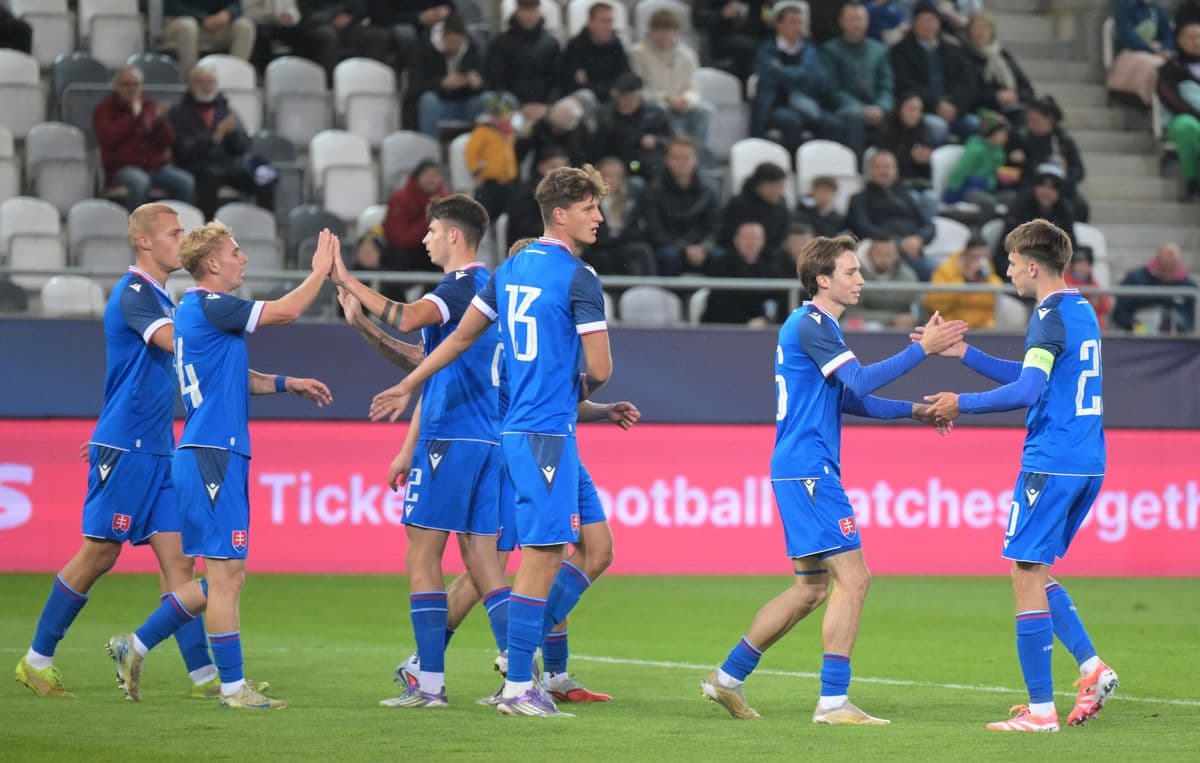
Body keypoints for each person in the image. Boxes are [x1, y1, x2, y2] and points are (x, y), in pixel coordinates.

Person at [368, 165, 616, 718]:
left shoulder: (504, 272)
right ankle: (518, 681)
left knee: (562, 551)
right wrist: (567, 384)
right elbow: (599, 367)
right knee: (540, 555)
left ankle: (514, 670)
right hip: (546, 429)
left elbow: (457, 338)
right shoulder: (580, 277)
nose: (599, 217)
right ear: (560, 213)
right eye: (590, 207)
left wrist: (408, 383)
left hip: (518, 430)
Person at [700, 234, 966, 724]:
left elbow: (849, 399)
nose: (860, 279)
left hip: (798, 466)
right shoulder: (813, 324)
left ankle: (727, 678)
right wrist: (923, 349)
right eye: (851, 271)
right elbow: (861, 381)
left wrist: (917, 412)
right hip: (809, 470)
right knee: (855, 579)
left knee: (809, 590)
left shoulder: (814, 327)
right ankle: (833, 702)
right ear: (823, 280)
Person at [105, 225, 336, 709]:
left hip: (207, 451)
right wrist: (320, 272)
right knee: (226, 575)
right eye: (235, 252)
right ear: (212, 264)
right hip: (213, 453)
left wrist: (284, 382)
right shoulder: (212, 305)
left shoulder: (194, 311)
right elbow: (288, 311)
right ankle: (232, 689)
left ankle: (137, 645)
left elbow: (232, 378)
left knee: (224, 576)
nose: (244, 259)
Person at [14, 204, 223, 700]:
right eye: (175, 234)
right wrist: (231, 322)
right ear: (146, 242)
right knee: (100, 553)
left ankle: (204, 680)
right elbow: (178, 345)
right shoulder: (133, 294)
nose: (183, 240)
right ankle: (35, 661)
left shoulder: (162, 298)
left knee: (180, 565)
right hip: (128, 448)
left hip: (156, 450)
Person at [923, 219, 1119, 732]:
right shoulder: (1079, 309)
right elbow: (1035, 375)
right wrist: (965, 355)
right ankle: (1092, 667)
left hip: (1051, 460)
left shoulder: (1048, 316)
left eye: (1010, 263)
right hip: (1087, 461)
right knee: (1036, 569)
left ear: (1033, 266)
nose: (1006, 271)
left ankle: (1040, 711)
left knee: (1023, 573)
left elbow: (1028, 391)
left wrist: (958, 402)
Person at [332, 195, 517, 709]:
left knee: (423, 554)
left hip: (450, 436)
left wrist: (346, 278)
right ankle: (521, 677)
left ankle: (429, 684)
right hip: (487, 439)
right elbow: (425, 357)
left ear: (455, 236)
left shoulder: (460, 288)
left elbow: (409, 319)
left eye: (433, 230)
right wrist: (362, 325)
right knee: (483, 561)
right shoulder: (491, 291)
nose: (425, 238)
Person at [170, 65, 276, 220]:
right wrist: (214, 138)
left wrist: (232, 133)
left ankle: (265, 225)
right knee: (209, 177)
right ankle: (208, 233)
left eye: (211, 83)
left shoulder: (225, 109)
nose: (207, 87)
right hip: (197, 165)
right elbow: (183, 151)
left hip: (227, 163)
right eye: (201, 82)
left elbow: (243, 147)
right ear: (191, 85)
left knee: (264, 178)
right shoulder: (178, 112)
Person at [94, 66, 195, 211]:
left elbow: (168, 141)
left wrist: (161, 123)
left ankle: (173, 226)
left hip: (154, 165)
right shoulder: (104, 109)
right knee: (140, 181)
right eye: (125, 85)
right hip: (122, 167)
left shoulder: (150, 106)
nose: (130, 89)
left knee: (186, 182)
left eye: (135, 84)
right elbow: (107, 138)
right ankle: (138, 229)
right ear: (116, 86)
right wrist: (133, 117)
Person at [889, 1, 980, 145]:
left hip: (953, 108)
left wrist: (955, 104)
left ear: (938, 24)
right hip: (921, 110)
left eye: (932, 21)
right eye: (923, 21)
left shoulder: (953, 50)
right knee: (937, 127)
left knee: (975, 125)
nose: (928, 25)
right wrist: (936, 104)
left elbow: (967, 81)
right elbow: (905, 83)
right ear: (914, 23)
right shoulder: (901, 51)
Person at [751, 2, 837, 154]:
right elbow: (771, 76)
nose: (798, 27)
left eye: (800, 22)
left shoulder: (810, 49)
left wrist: (784, 71)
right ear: (779, 24)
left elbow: (820, 79)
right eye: (792, 22)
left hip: (806, 102)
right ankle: (793, 167)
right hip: (775, 105)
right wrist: (801, 73)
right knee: (791, 121)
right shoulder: (766, 49)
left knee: (832, 123)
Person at [847, 149, 936, 280]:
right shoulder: (860, 198)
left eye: (888, 167)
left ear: (896, 170)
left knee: (940, 272)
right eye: (878, 167)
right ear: (870, 171)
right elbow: (862, 227)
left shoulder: (906, 196)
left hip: (914, 250)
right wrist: (897, 243)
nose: (883, 171)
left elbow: (929, 225)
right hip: (884, 255)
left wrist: (919, 239)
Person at [821, 2, 895, 157]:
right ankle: (857, 165)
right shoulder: (830, 50)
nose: (856, 24)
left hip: (876, 107)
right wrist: (862, 109)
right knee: (854, 115)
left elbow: (886, 86)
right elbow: (832, 89)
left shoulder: (879, 50)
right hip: (845, 108)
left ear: (867, 21)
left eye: (859, 19)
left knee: (902, 114)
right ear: (841, 22)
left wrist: (882, 107)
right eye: (851, 19)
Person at [629, 7, 712, 146]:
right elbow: (637, 90)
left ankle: (698, 156)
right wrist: (666, 98)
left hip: (680, 102)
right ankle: (672, 153)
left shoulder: (688, 56)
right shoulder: (638, 53)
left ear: (676, 31)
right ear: (651, 30)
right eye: (657, 31)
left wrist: (687, 100)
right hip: (653, 102)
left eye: (667, 31)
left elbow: (694, 88)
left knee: (704, 111)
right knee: (663, 109)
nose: (662, 36)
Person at [357, 159, 450, 283]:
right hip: (399, 253)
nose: (431, 180)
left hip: (428, 253)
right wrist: (431, 218)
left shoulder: (446, 200)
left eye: (435, 176)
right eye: (427, 175)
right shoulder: (401, 198)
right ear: (417, 177)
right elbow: (400, 239)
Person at [641, 135, 722, 276]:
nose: (681, 163)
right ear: (667, 160)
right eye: (676, 158)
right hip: (671, 247)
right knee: (668, 256)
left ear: (695, 160)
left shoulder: (709, 190)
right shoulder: (654, 190)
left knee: (721, 257)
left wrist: (704, 247)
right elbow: (656, 231)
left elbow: (716, 227)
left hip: (701, 246)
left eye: (686, 158)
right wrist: (685, 248)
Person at [1006, 96, 1089, 221]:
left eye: (1036, 120)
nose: (1032, 125)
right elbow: (1006, 174)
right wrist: (1014, 161)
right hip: (1029, 187)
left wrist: (1065, 173)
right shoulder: (1021, 138)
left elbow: (1079, 171)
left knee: (1080, 206)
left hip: (1058, 188)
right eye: (1029, 120)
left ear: (1049, 119)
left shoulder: (1063, 140)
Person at [409, 14, 487, 139]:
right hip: (439, 104)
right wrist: (441, 83)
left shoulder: (473, 50)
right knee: (428, 101)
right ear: (442, 38)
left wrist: (478, 84)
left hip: (466, 103)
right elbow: (413, 88)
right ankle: (431, 151)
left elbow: (490, 82)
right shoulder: (424, 49)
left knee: (486, 99)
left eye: (459, 43)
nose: (455, 47)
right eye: (450, 42)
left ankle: (480, 148)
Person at [994, 163, 1078, 278]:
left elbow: (1070, 246)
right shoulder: (1021, 206)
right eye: (1042, 185)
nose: (1046, 191)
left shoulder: (1065, 212)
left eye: (1052, 188)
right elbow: (1009, 245)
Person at [486, 0, 561, 126]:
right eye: (524, 10)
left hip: (546, 107)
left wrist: (547, 105)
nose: (528, 16)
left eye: (532, 10)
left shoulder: (551, 44)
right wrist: (519, 106)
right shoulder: (501, 43)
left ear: (538, 11)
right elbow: (496, 80)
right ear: (517, 11)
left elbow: (559, 80)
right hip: (511, 108)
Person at [591, 72, 673, 182]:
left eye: (628, 98)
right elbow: (599, 147)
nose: (623, 102)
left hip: (647, 164)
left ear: (638, 96)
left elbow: (671, 141)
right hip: (619, 163)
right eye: (619, 98)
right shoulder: (606, 115)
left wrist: (656, 141)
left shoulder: (656, 114)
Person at [701, 221, 782, 326]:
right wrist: (746, 322)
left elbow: (775, 300)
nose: (751, 243)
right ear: (736, 240)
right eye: (746, 238)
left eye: (755, 238)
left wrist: (765, 319)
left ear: (763, 241)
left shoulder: (770, 268)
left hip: (760, 328)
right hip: (723, 328)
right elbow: (719, 303)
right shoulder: (721, 265)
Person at [587, 157, 655, 276]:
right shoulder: (589, 202)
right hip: (599, 248)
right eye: (607, 175)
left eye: (617, 176)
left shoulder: (631, 201)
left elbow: (637, 231)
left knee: (641, 251)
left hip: (623, 247)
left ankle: (647, 289)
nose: (612, 180)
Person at [941, 109, 1013, 221]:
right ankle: (981, 235)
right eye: (1002, 133)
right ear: (993, 133)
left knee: (1013, 197)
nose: (1005, 137)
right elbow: (961, 170)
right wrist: (951, 192)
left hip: (989, 189)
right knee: (988, 202)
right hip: (969, 189)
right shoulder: (976, 149)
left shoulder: (1000, 153)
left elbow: (996, 174)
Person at [1156, 21, 1200, 202]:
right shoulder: (1171, 68)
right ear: (1179, 40)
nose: (1196, 42)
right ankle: (1192, 181)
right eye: (1191, 37)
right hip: (1181, 119)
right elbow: (1170, 98)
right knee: (1187, 127)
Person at [1111, 242, 1198, 334]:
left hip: (1176, 339)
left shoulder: (1189, 286)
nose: (1168, 273)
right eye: (1164, 267)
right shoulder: (1134, 280)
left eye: (1172, 268)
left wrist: (1177, 324)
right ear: (1157, 261)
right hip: (1139, 337)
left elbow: (1191, 320)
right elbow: (1120, 314)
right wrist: (1142, 328)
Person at [963, 11, 1034, 123]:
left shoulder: (1002, 55)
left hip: (1013, 106)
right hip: (983, 109)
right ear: (969, 31)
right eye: (975, 28)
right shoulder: (965, 56)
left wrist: (1015, 95)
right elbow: (970, 94)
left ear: (992, 31)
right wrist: (996, 97)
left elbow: (1027, 89)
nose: (979, 32)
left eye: (984, 28)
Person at [924, 235, 1005, 328]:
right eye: (974, 257)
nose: (979, 262)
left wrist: (984, 281)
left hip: (983, 329)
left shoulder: (989, 276)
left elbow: (994, 300)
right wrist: (966, 280)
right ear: (965, 255)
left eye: (983, 257)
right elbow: (936, 305)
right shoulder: (945, 271)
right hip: (950, 328)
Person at [718, 162, 791, 263]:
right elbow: (725, 235)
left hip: (770, 258)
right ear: (761, 185)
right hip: (736, 257)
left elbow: (781, 236)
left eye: (781, 187)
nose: (779, 191)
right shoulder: (738, 205)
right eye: (776, 186)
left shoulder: (781, 206)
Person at [561, 2, 631, 105]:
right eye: (604, 22)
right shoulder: (575, 46)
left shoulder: (616, 44)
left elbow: (626, 74)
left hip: (617, 99)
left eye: (610, 22)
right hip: (588, 101)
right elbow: (575, 84)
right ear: (591, 23)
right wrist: (610, 90)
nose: (609, 27)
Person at [1108, 0, 1175, 106]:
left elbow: (1167, 34)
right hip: (1132, 50)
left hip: (1158, 50)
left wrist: (1167, 49)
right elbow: (1128, 35)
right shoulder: (1126, 7)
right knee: (1155, 65)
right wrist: (1152, 50)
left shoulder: (1157, 10)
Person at [466, 93, 521, 220]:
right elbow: (470, 153)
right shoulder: (483, 131)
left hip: (507, 180)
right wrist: (475, 172)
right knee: (485, 211)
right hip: (488, 182)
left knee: (507, 211)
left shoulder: (509, 132)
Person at [163, 0, 256, 75]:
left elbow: (236, 5)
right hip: (180, 21)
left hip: (216, 25)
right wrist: (202, 18)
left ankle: (235, 77)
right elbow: (170, 5)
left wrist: (227, 13)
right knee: (188, 26)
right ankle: (192, 81)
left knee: (245, 27)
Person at [504, 146, 571, 249]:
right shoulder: (525, 193)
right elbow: (522, 228)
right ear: (541, 167)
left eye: (564, 168)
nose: (560, 173)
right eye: (554, 167)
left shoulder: (570, 192)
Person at [695, 0, 770, 84]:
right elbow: (697, 19)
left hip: (751, 43)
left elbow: (765, 18)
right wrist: (722, 13)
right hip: (719, 42)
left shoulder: (756, 3)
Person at [854, 237, 920, 329]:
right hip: (867, 327)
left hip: (900, 326)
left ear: (897, 255)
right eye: (879, 254)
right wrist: (890, 319)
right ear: (868, 254)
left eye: (889, 254)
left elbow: (916, 307)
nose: (884, 259)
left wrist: (910, 318)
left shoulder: (907, 276)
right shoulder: (855, 276)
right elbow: (852, 313)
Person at [517, 97, 592, 169]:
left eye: (559, 128)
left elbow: (578, 156)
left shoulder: (579, 133)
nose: (555, 131)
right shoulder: (540, 123)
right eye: (554, 126)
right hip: (539, 162)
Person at [1063, 246, 1111, 331]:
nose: (1082, 267)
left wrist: (1097, 302)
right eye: (1079, 263)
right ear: (1073, 265)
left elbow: (1106, 307)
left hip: (1090, 330)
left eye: (1085, 264)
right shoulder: (1064, 280)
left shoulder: (1093, 283)